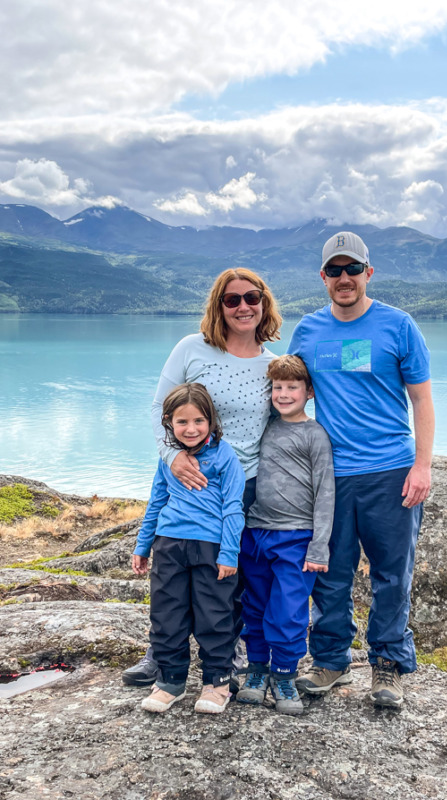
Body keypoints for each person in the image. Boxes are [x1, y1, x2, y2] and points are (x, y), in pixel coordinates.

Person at [289, 231, 434, 709]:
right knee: (330, 572)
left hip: (390, 470)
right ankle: (330, 661)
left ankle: (388, 665)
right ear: (324, 278)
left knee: (392, 573)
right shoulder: (308, 331)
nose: (345, 278)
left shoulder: (398, 326)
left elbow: (422, 400)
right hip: (330, 474)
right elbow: (285, 395)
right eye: (335, 270)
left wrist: (422, 465)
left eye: (353, 269)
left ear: (368, 273)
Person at [122, 268, 282, 687]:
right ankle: (160, 655)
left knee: (230, 576)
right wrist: (172, 456)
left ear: (264, 303)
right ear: (219, 305)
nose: (243, 306)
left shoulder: (272, 364)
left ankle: (227, 657)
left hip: (245, 483)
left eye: (252, 297)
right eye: (232, 300)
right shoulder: (192, 349)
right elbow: (161, 409)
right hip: (188, 479)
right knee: (173, 579)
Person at [132, 382, 245, 714]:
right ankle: (170, 681)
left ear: (210, 420)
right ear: (168, 422)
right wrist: (143, 545)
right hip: (170, 545)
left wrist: (229, 552)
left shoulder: (225, 456)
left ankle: (217, 682)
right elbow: (156, 502)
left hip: (211, 546)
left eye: (199, 421)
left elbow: (233, 507)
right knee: (167, 614)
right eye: (182, 422)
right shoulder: (169, 459)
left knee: (215, 615)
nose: (191, 429)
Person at [236, 355, 334, 715]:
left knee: (289, 610)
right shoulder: (265, 427)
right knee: (256, 604)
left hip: (296, 538)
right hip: (257, 533)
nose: (283, 393)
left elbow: (326, 492)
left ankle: (285, 675)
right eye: (277, 387)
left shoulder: (315, 435)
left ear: (308, 392)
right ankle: (257, 670)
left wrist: (319, 545)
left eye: (292, 387)